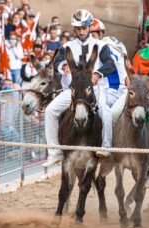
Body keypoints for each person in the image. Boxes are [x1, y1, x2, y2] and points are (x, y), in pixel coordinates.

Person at [43, 9, 115, 167]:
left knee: (105, 111)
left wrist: (98, 73)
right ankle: (55, 152)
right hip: (72, 91)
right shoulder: (66, 46)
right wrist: (63, 65)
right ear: (74, 29)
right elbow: (56, 63)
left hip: (95, 90)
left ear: (89, 27)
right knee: (50, 111)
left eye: (84, 28)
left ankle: (106, 146)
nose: (81, 31)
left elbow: (110, 64)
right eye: (78, 28)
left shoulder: (101, 46)